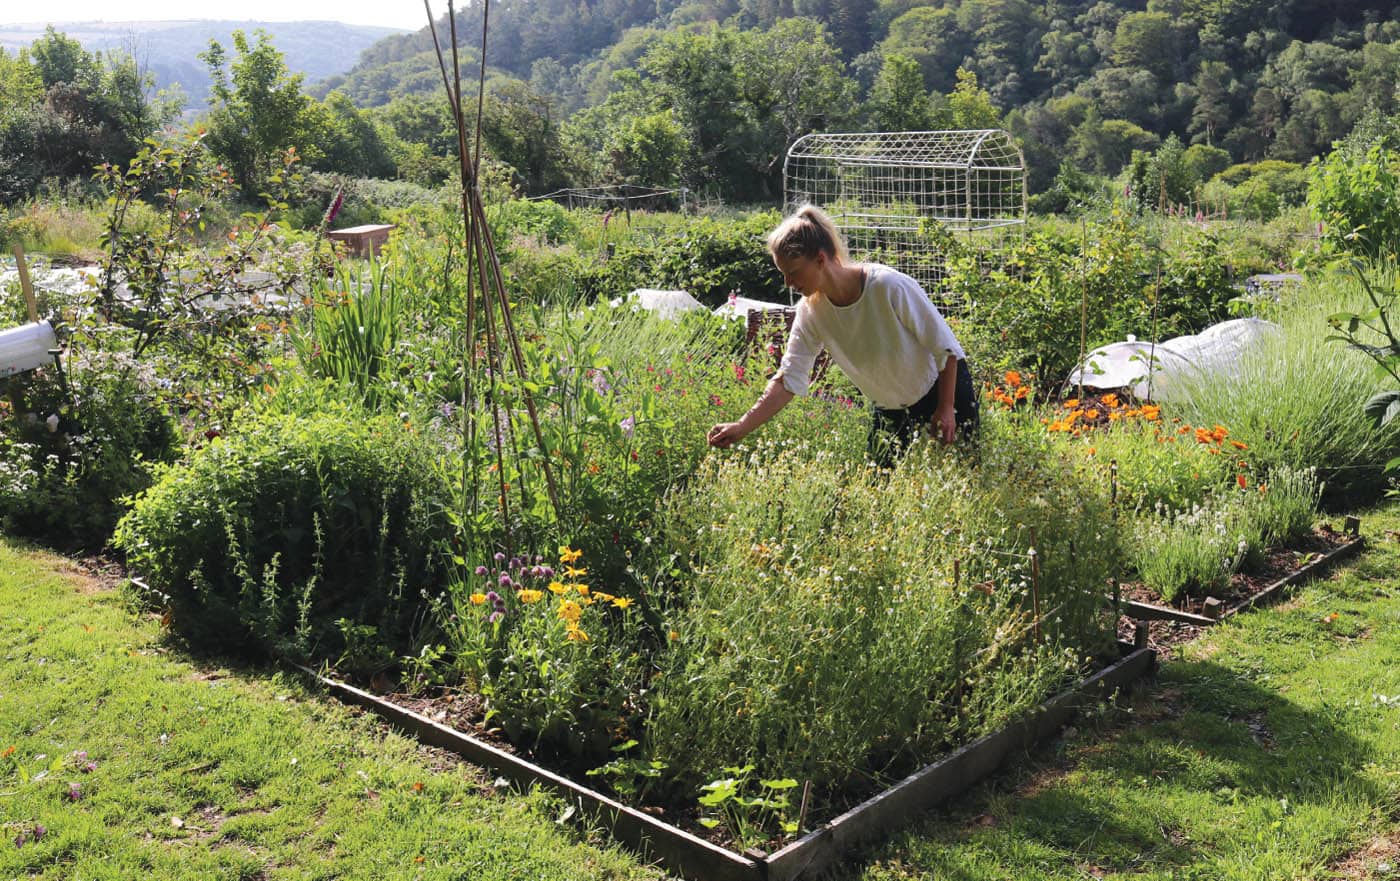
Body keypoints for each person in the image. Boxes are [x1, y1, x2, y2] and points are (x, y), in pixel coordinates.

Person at [707, 205, 977, 464]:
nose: (788, 283)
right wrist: (742, 426)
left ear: (821, 260)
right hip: (889, 408)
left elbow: (947, 349)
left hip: (942, 391)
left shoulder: (887, 286)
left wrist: (945, 408)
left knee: (967, 477)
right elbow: (789, 379)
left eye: (793, 273)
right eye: (783, 274)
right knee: (878, 492)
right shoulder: (810, 312)